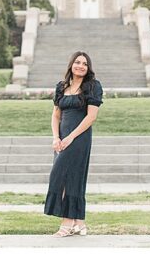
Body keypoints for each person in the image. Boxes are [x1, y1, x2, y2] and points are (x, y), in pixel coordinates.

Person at [44, 50, 103, 237]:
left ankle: (67, 223)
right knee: (63, 176)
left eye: (85, 64)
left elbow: (91, 117)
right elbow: (55, 115)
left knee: (66, 177)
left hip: (79, 138)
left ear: (88, 68)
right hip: (61, 140)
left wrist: (71, 137)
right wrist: (56, 137)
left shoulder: (93, 86)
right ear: (71, 64)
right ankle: (79, 222)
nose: (81, 66)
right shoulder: (61, 87)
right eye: (78, 62)